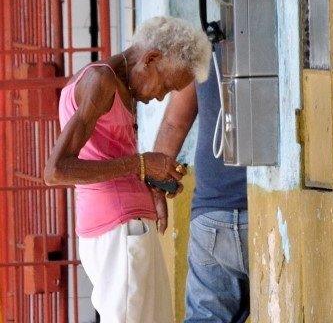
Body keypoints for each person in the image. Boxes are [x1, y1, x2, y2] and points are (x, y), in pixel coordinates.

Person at [44, 16, 212, 323]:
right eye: (165, 85)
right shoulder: (101, 81)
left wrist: (151, 184)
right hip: (117, 230)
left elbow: (107, 156)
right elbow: (56, 170)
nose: (159, 97)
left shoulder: (118, 84)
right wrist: (141, 163)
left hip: (125, 229)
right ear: (151, 59)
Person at [153, 40, 250, 322]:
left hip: (211, 217)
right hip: (262, 210)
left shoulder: (205, 53)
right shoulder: (275, 35)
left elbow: (174, 122)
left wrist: (156, 189)